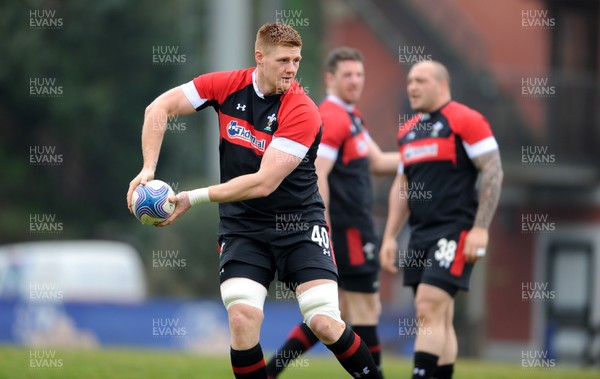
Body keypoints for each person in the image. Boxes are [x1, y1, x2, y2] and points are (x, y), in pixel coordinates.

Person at [127, 23, 382, 379]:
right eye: (283, 60)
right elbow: (159, 107)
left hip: (300, 224)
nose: (291, 69)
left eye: (296, 60)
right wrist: (148, 170)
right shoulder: (225, 85)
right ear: (259, 58)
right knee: (243, 317)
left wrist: (191, 197)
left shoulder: (303, 110)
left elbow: (263, 183)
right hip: (243, 227)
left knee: (324, 321)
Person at [266, 47, 398, 378]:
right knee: (365, 309)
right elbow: (318, 173)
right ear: (330, 79)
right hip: (346, 228)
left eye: (359, 74)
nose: (355, 81)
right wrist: (321, 226)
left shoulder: (352, 117)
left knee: (329, 313)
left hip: (352, 226)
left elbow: (379, 163)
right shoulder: (332, 117)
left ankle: (270, 371)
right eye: (347, 75)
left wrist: (424, 156)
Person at [379, 60, 503, 379]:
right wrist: (391, 236)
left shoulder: (466, 119)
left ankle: (420, 374)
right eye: (409, 81)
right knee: (439, 316)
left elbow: (493, 170)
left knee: (427, 305)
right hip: (420, 233)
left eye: (420, 80)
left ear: (442, 85)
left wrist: (480, 229)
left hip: (456, 229)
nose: (412, 87)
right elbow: (402, 186)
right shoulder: (407, 131)